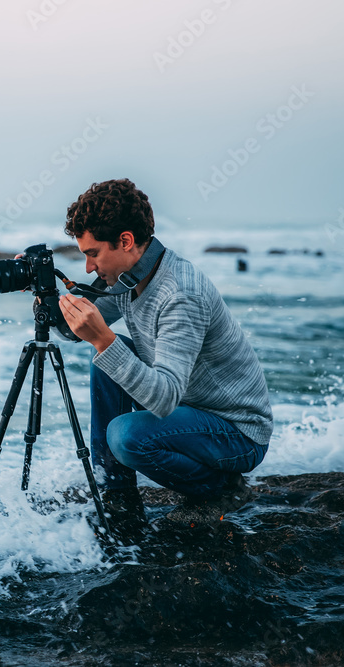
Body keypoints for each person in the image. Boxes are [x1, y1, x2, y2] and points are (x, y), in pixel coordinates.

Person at [56, 179, 273, 543]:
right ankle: (119, 500)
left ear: (125, 241)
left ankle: (220, 490)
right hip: (192, 412)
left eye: (93, 253)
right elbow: (72, 328)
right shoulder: (129, 277)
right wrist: (45, 294)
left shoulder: (180, 293)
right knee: (104, 359)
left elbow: (163, 398)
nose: (90, 267)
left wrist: (103, 339)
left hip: (236, 430)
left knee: (125, 435)